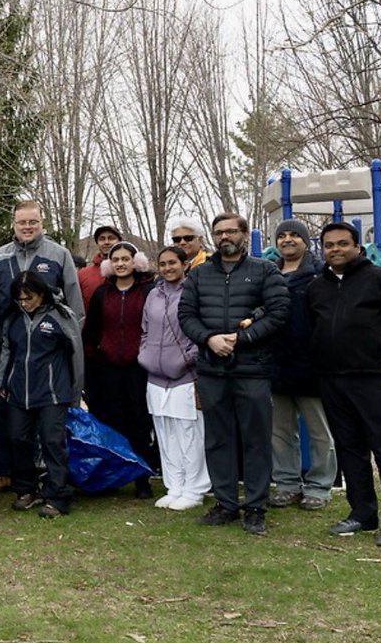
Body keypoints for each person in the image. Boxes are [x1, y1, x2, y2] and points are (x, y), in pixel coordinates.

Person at [178, 212, 289, 535]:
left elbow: (279, 312)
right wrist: (209, 339)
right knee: (217, 438)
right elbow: (186, 315)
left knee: (255, 439)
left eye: (230, 231)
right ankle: (225, 502)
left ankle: (255, 506)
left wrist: (241, 339)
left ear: (243, 234)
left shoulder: (265, 271)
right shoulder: (199, 275)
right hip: (212, 370)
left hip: (252, 369)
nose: (224, 237)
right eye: (219, 232)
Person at [307, 221, 381, 548]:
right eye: (329, 245)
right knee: (350, 448)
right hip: (332, 380)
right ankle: (362, 513)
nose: (335, 249)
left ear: (356, 246)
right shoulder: (316, 288)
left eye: (342, 243)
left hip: (373, 378)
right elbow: (313, 329)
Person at [0, 200, 83, 496]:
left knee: (51, 433)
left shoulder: (58, 254)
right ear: (13, 223)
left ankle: (54, 488)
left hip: (49, 355)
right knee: (13, 428)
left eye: (33, 222)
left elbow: (75, 308)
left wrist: (66, 341)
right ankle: (12, 478)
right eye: (22, 222)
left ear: (42, 222)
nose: (28, 227)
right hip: (10, 355)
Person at [0, 272, 82, 518]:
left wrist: (75, 392)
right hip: (18, 391)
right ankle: (26, 489)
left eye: (29, 298)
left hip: (53, 392)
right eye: (19, 299)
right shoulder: (13, 318)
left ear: (41, 294)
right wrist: (1, 380)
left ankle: (58, 496)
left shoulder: (61, 316)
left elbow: (76, 354)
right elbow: (6, 349)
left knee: (52, 442)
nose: (24, 303)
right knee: (17, 439)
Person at [268, 218, 336, 511]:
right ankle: (286, 484)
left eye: (294, 235)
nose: (287, 240)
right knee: (279, 431)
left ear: (306, 241)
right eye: (282, 235)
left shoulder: (321, 275)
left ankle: (319, 486)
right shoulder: (269, 275)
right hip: (276, 365)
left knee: (319, 431)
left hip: (312, 366)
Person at [82, 241, 157, 498]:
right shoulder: (102, 294)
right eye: (116, 260)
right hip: (107, 369)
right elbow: (91, 331)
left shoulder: (149, 290)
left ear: (135, 262)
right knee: (111, 422)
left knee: (139, 422)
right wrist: (98, 355)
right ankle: (112, 475)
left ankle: (142, 477)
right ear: (109, 264)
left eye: (126, 258)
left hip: (140, 368)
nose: (121, 264)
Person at [138, 246, 210, 511]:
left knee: (188, 433)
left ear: (184, 264)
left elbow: (201, 330)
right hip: (155, 376)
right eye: (163, 264)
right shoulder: (153, 295)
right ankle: (174, 486)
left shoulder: (193, 291)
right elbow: (145, 330)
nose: (168, 268)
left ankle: (194, 489)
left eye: (173, 263)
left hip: (185, 376)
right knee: (165, 433)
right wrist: (144, 355)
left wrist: (187, 359)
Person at [78, 225, 122, 311]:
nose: (106, 242)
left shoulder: (131, 272)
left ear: (119, 241)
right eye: (102, 239)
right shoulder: (82, 275)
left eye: (111, 238)